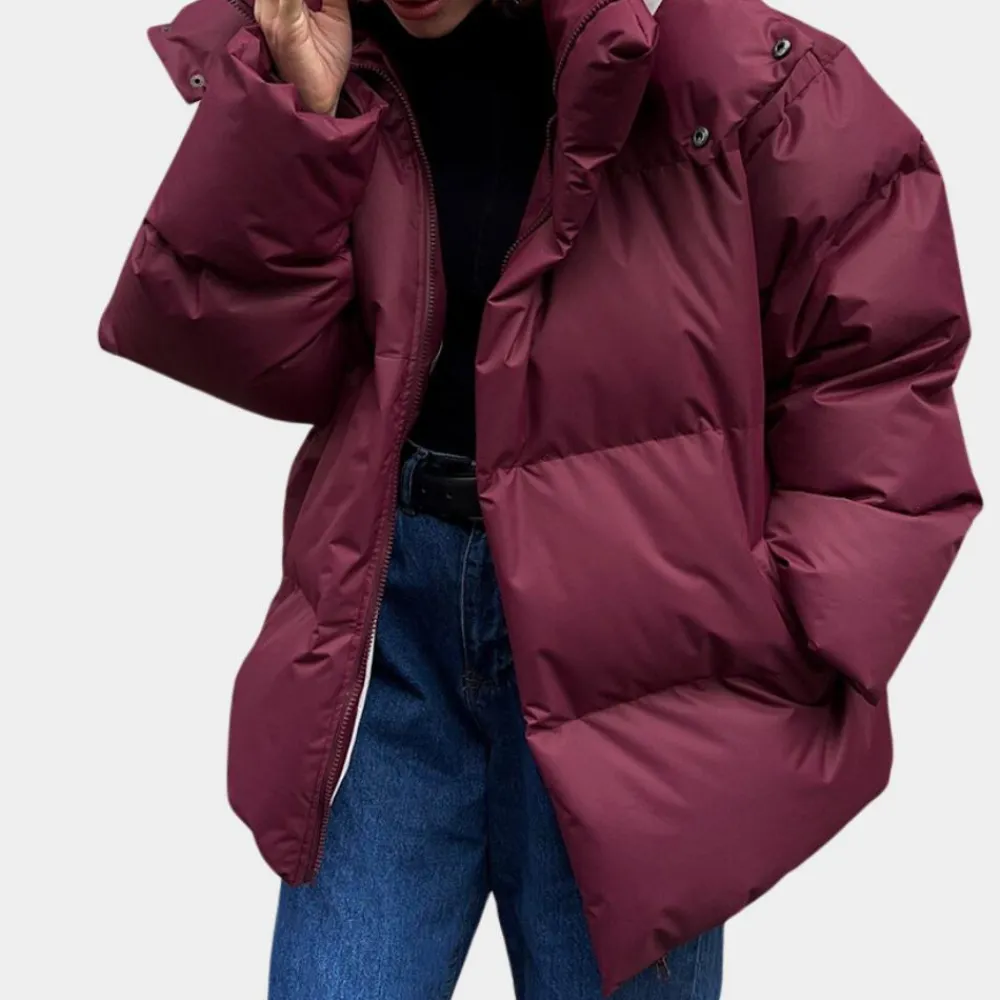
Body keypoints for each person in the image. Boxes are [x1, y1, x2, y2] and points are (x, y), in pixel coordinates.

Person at [98, 0, 981, 996]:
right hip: (393, 633)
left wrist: (782, 631)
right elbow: (264, 354)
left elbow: (882, 361)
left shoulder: (735, 77)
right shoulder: (343, 57)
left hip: (638, 672)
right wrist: (297, 117)